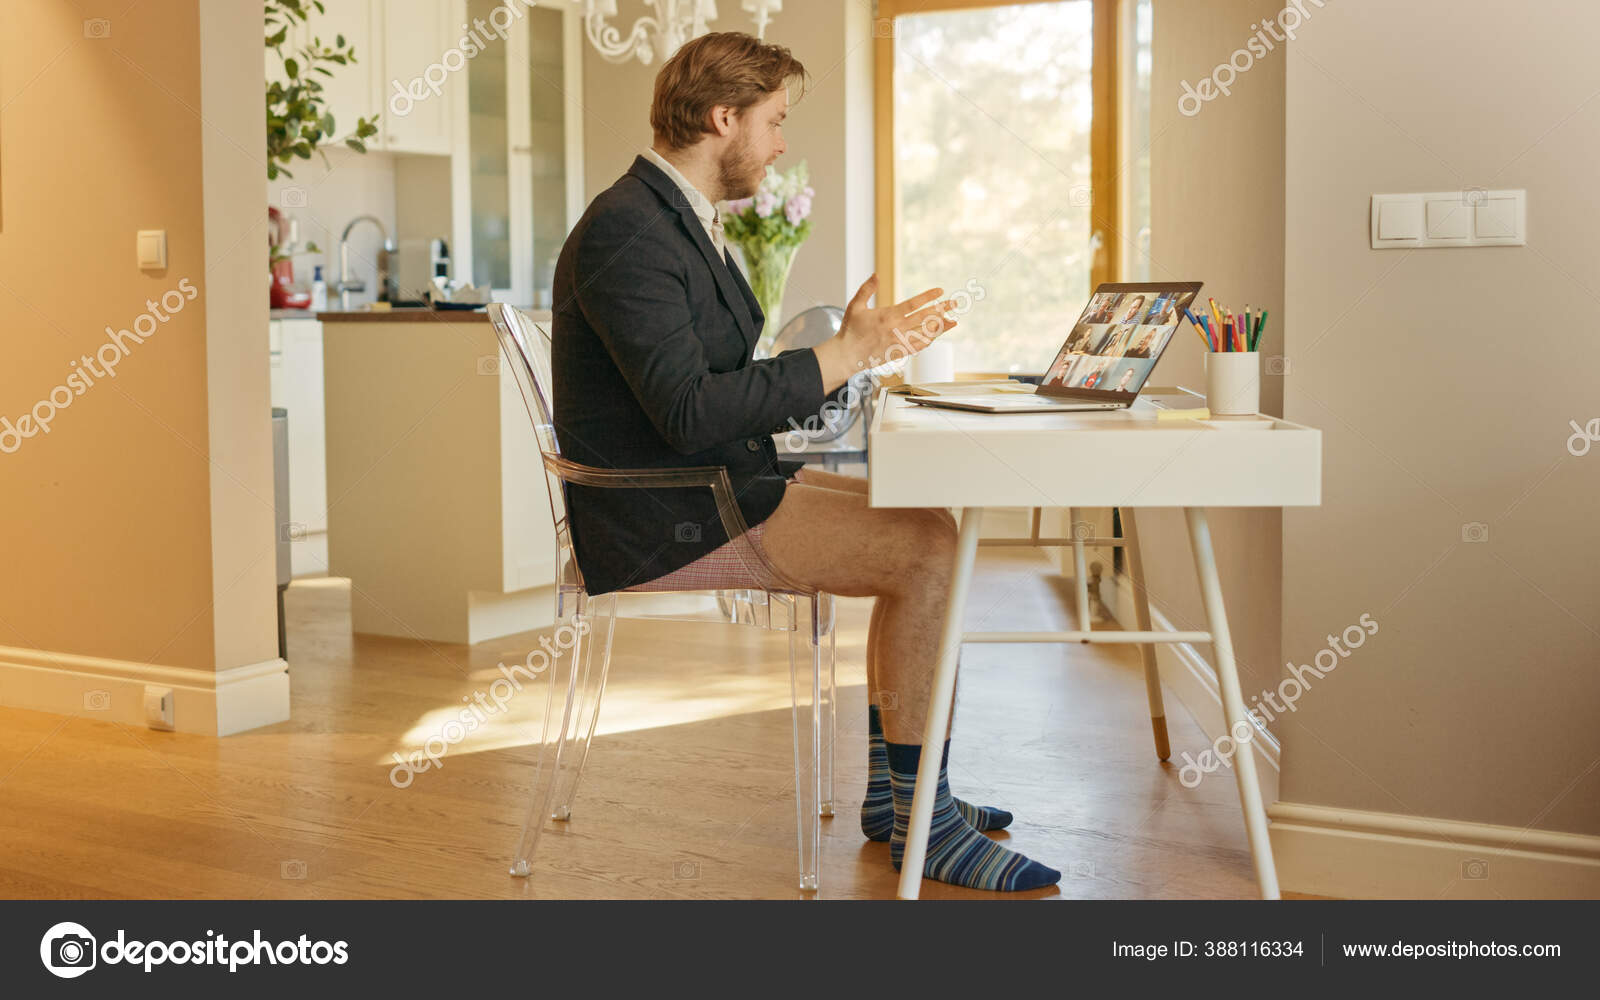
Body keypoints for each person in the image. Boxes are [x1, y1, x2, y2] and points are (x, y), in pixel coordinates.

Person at [550, 32, 1059, 892]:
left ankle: (901, 798)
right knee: (929, 552)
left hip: (709, 481)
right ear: (724, 118)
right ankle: (922, 824)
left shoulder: (670, 218)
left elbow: (715, 386)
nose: (783, 144)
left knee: (931, 526)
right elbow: (686, 412)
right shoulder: (628, 233)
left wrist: (853, 359)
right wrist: (843, 355)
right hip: (664, 511)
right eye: (775, 121)